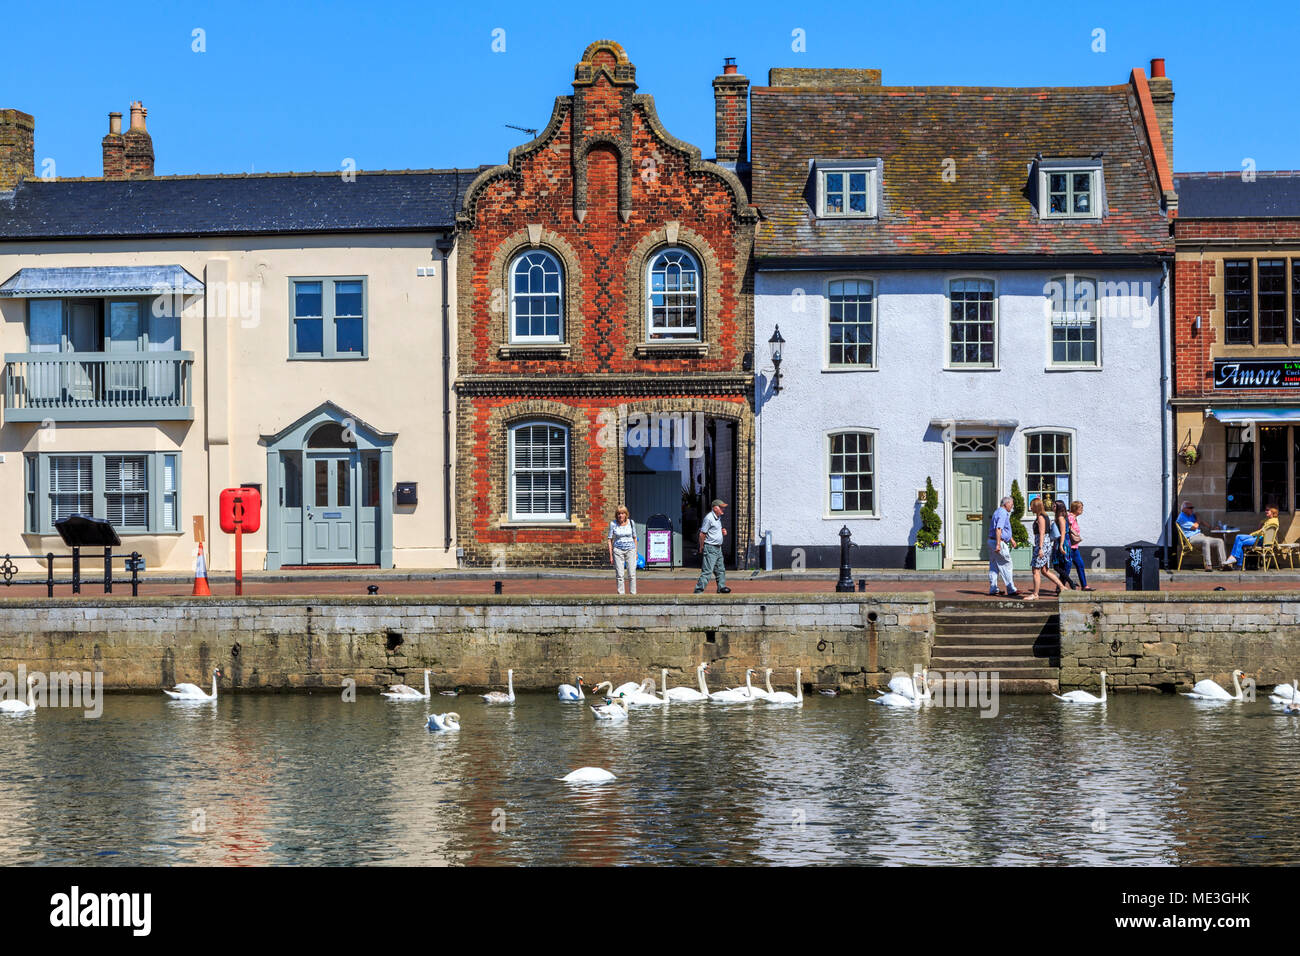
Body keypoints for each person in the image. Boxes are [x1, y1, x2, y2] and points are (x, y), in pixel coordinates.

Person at [1026, 498, 1066, 600]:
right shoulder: (1044, 516)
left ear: (1036, 506)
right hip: (1045, 545)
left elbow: (1042, 534)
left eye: (1032, 506)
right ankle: (1062, 587)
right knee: (1045, 570)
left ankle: (1035, 594)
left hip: (1042, 545)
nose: (1030, 508)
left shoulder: (1041, 517)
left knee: (1035, 570)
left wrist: (1039, 548)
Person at [1176, 501, 1227, 571]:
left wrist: (1212, 527)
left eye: (1192, 508)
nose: (1192, 509)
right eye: (1190, 508)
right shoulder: (1182, 517)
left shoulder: (1190, 515)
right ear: (1184, 509)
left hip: (1200, 536)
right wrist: (1198, 518)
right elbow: (1194, 527)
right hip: (1191, 539)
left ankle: (1223, 564)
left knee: (1219, 541)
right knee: (1205, 541)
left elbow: (1202, 522)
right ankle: (1208, 565)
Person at [694, 499, 731, 594]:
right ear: (715, 508)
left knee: (721, 569)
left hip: (718, 548)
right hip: (710, 548)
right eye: (721, 507)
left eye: (723, 507)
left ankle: (721, 588)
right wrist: (701, 547)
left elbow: (715, 530)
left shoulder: (718, 517)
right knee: (707, 571)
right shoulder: (709, 518)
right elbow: (702, 534)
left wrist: (723, 531)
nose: (723, 509)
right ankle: (698, 591)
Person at [987, 495, 1019, 597]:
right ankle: (1011, 589)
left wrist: (1011, 540)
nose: (1012, 507)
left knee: (994, 566)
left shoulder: (998, 511)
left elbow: (1004, 529)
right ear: (1006, 504)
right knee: (1006, 564)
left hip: (991, 541)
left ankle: (993, 588)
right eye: (1011, 504)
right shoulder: (1003, 513)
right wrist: (998, 544)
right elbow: (999, 528)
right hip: (997, 541)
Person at [608, 504, 639, 595]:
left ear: (626, 514)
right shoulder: (613, 524)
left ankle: (633, 595)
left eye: (622, 513)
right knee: (620, 575)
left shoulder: (631, 523)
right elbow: (609, 539)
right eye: (618, 514)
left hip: (630, 550)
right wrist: (611, 555)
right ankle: (621, 596)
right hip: (618, 551)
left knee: (632, 574)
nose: (620, 515)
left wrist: (636, 552)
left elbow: (635, 537)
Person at [1065, 501, 1096, 591]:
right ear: (1075, 509)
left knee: (1080, 565)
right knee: (1067, 568)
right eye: (1080, 508)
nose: (1082, 510)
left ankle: (1084, 586)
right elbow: (1066, 529)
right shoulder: (1070, 517)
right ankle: (1060, 586)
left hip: (1074, 548)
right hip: (1069, 547)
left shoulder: (1074, 517)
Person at [1050, 500, 1075, 589]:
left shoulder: (1060, 518)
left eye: (1054, 506)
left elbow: (1063, 532)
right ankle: (1060, 587)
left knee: (1057, 566)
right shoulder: (1062, 517)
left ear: (1059, 507)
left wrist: (1060, 545)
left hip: (1062, 542)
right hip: (1062, 541)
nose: (1052, 507)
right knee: (1060, 566)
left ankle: (1070, 582)